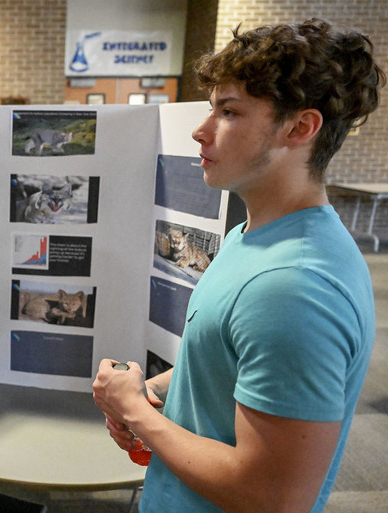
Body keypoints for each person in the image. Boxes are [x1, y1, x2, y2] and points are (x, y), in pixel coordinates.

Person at [93, 19, 384, 513]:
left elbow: (273, 496)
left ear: (300, 127)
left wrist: (135, 412)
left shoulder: (292, 288)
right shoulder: (249, 237)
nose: (201, 130)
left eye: (228, 112)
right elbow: (225, 367)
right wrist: (154, 388)